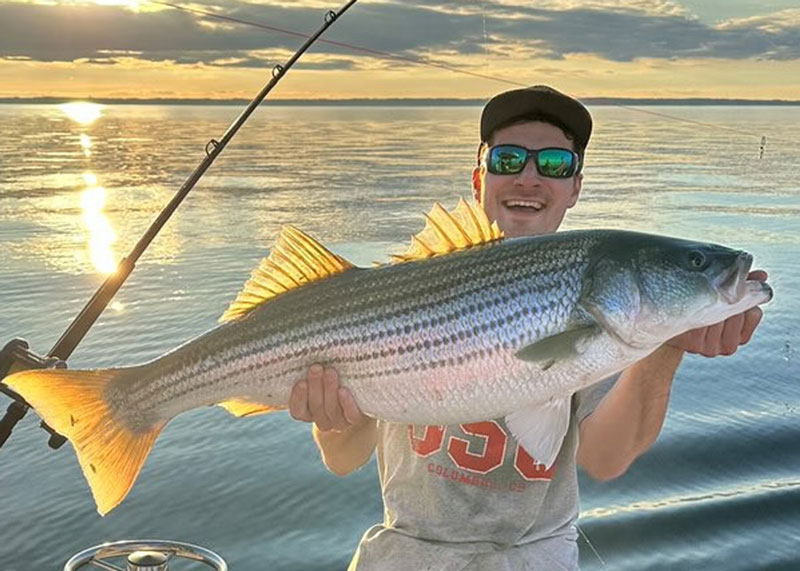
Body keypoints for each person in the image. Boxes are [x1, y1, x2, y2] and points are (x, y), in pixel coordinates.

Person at [287, 85, 767, 570]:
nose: (529, 178)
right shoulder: (403, 288)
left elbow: (606, 459)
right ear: (479, 179)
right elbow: (343, 458)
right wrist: (330, 412)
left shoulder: (601, 312)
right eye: (508, 159)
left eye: (555, 163)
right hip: (404, 553)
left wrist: (668, 345)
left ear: (574, 187)